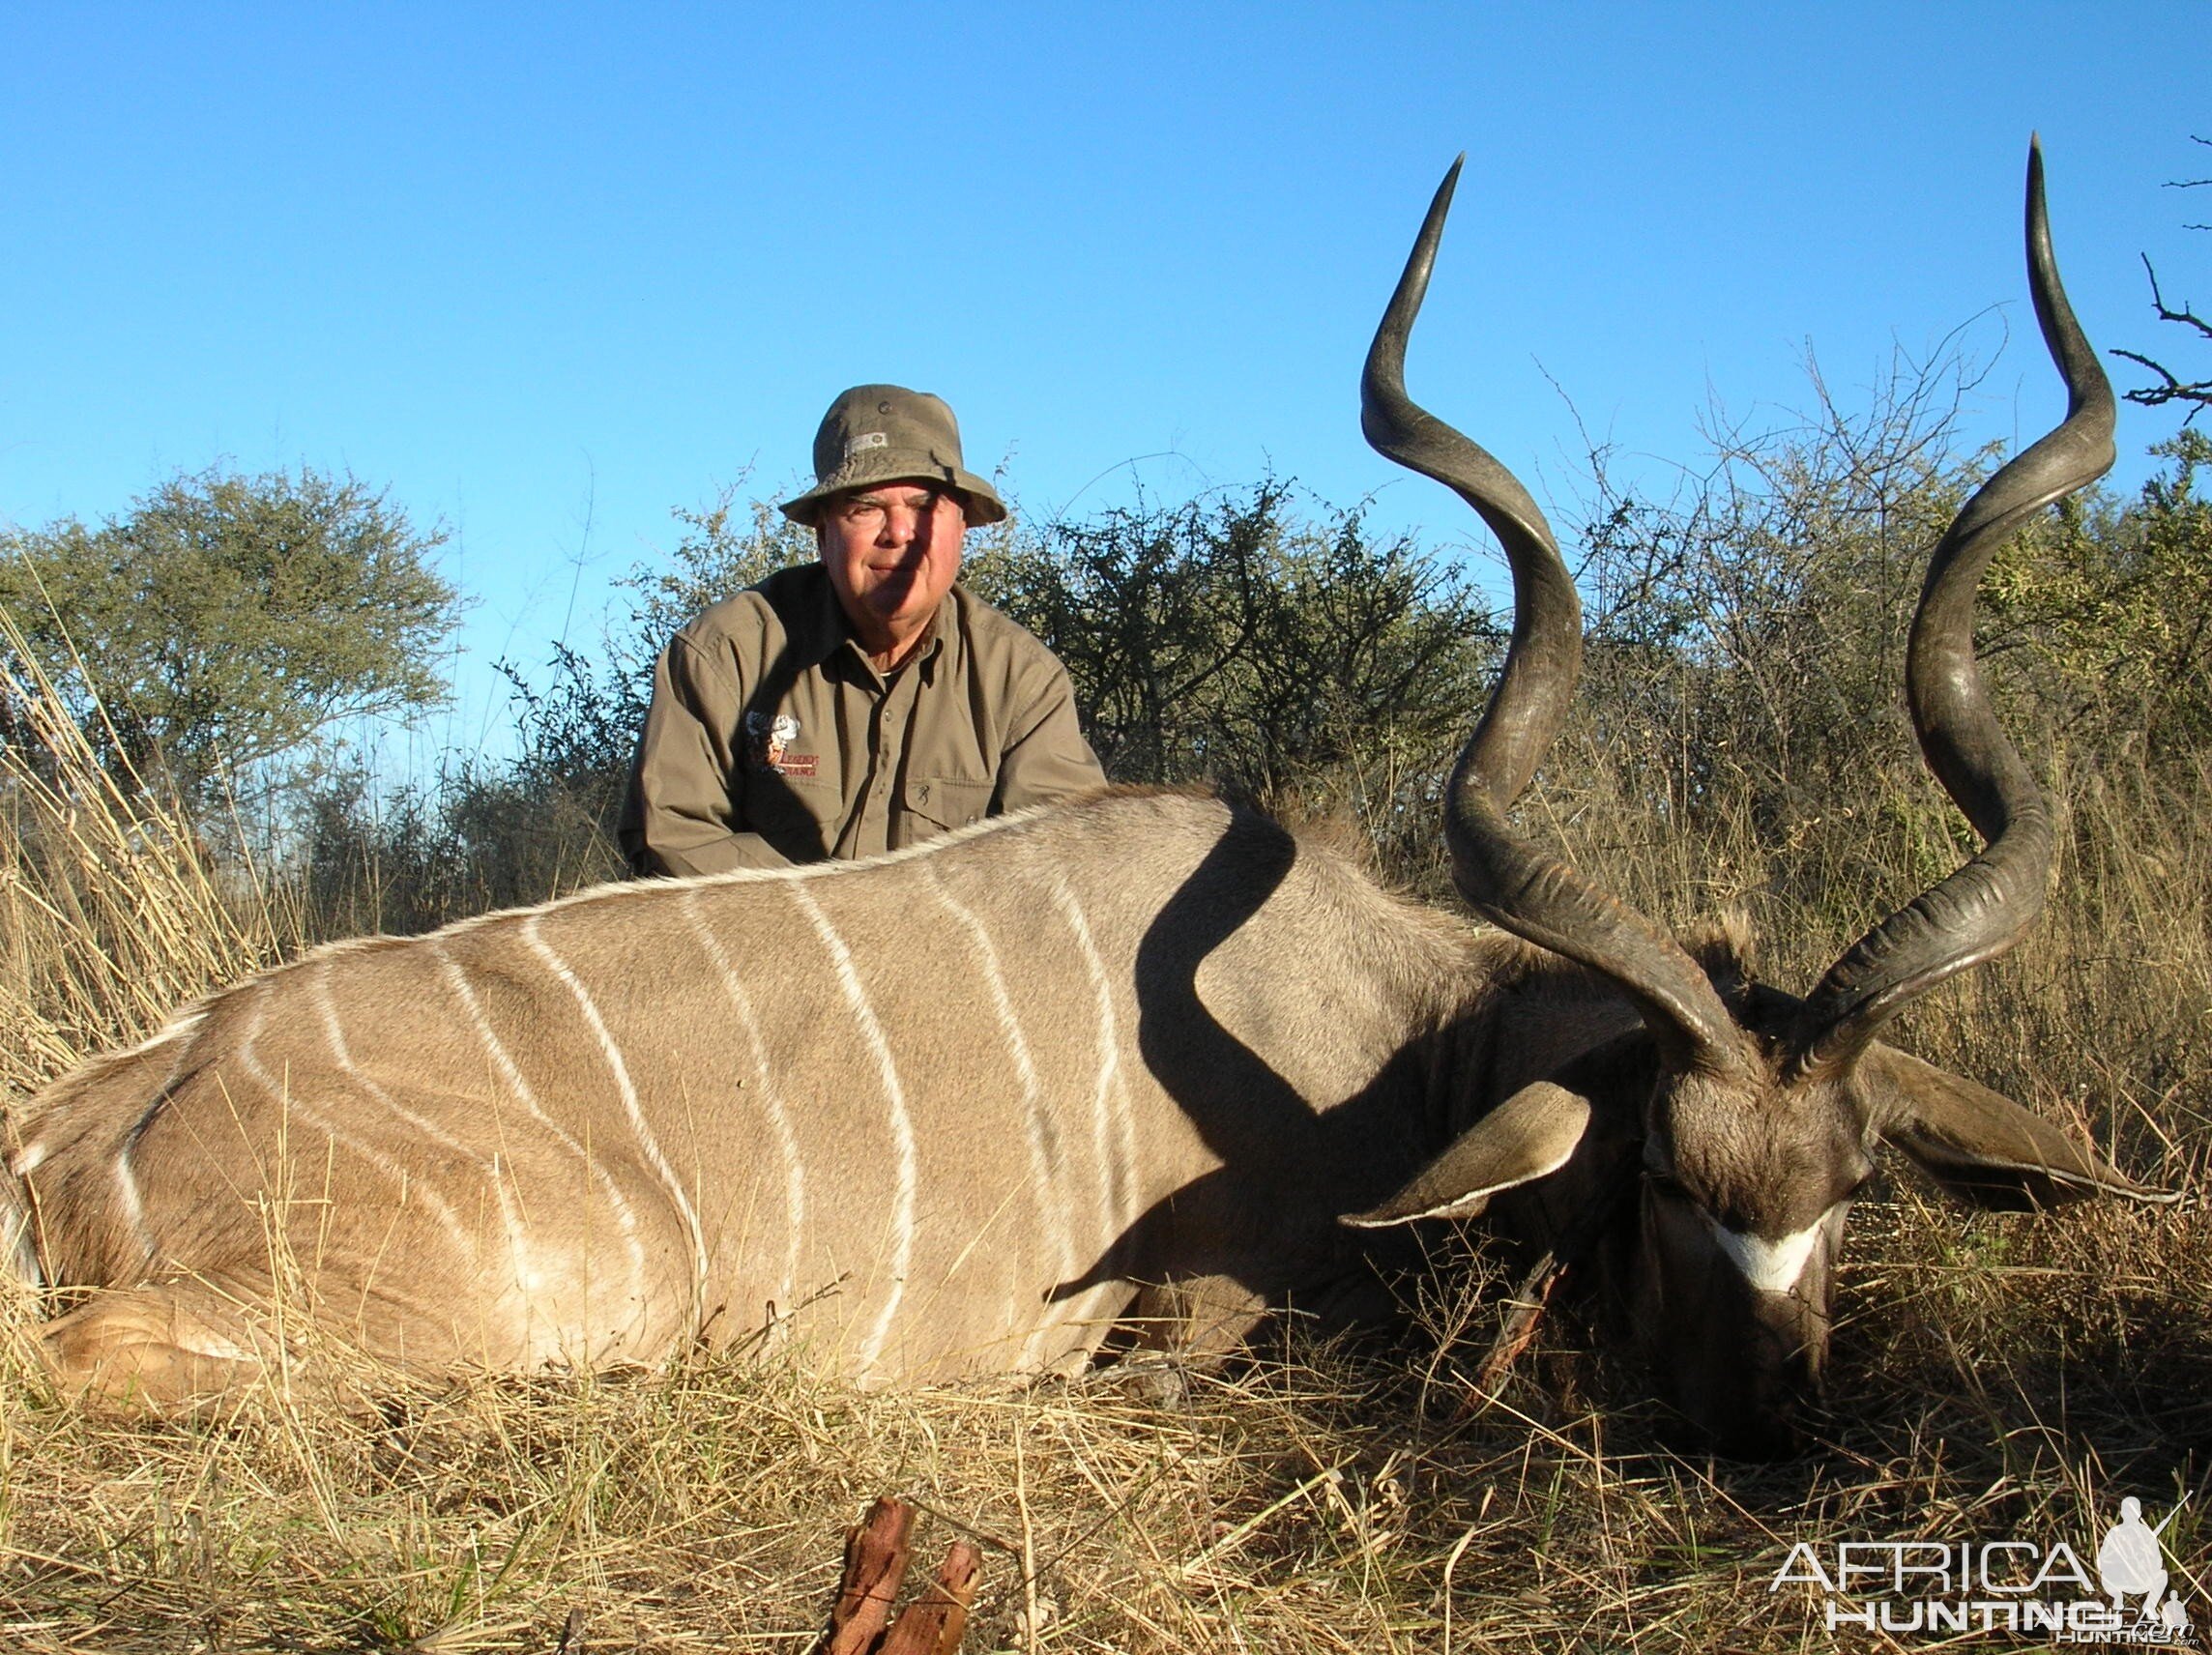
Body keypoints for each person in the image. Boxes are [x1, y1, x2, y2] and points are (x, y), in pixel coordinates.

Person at [619, 384, 1105, 875]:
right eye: (865, 508)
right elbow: (672, 837)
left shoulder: (1022, 680)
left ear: (961, 527)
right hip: (756, 946)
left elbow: (1064, 861)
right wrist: (846, 922)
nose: (898, 533)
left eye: (922, 506)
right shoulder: (725, 652)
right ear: (824, 534)